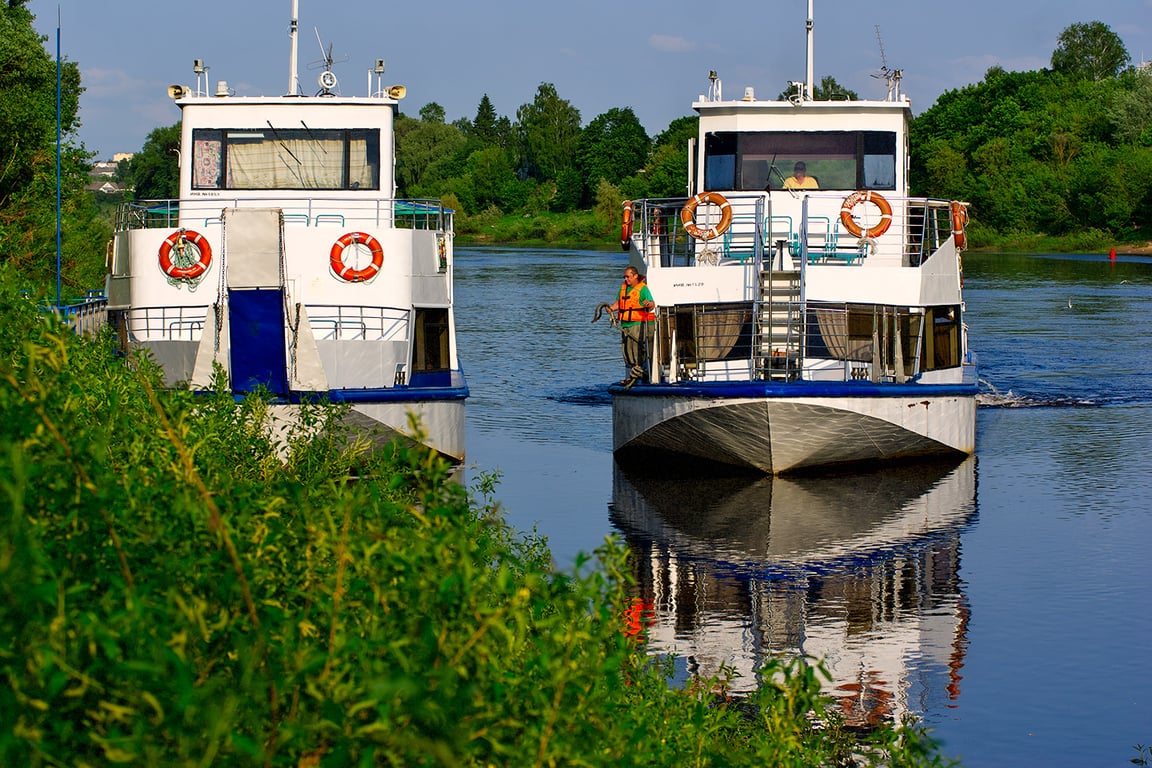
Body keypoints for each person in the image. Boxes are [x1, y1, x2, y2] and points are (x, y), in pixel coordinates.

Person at [608, 266, 656, 386]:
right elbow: (619, 302)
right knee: (627, 350)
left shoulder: (643, 289)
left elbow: (651, 304)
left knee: (637, 350)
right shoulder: (623, 288)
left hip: (637, 324)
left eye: (628, 276)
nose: (626, 279)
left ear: (635, 276)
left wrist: (648, 304)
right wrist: (612, 308)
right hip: (625, 324)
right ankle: (632, 374)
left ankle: (637, 375)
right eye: (625, 277)